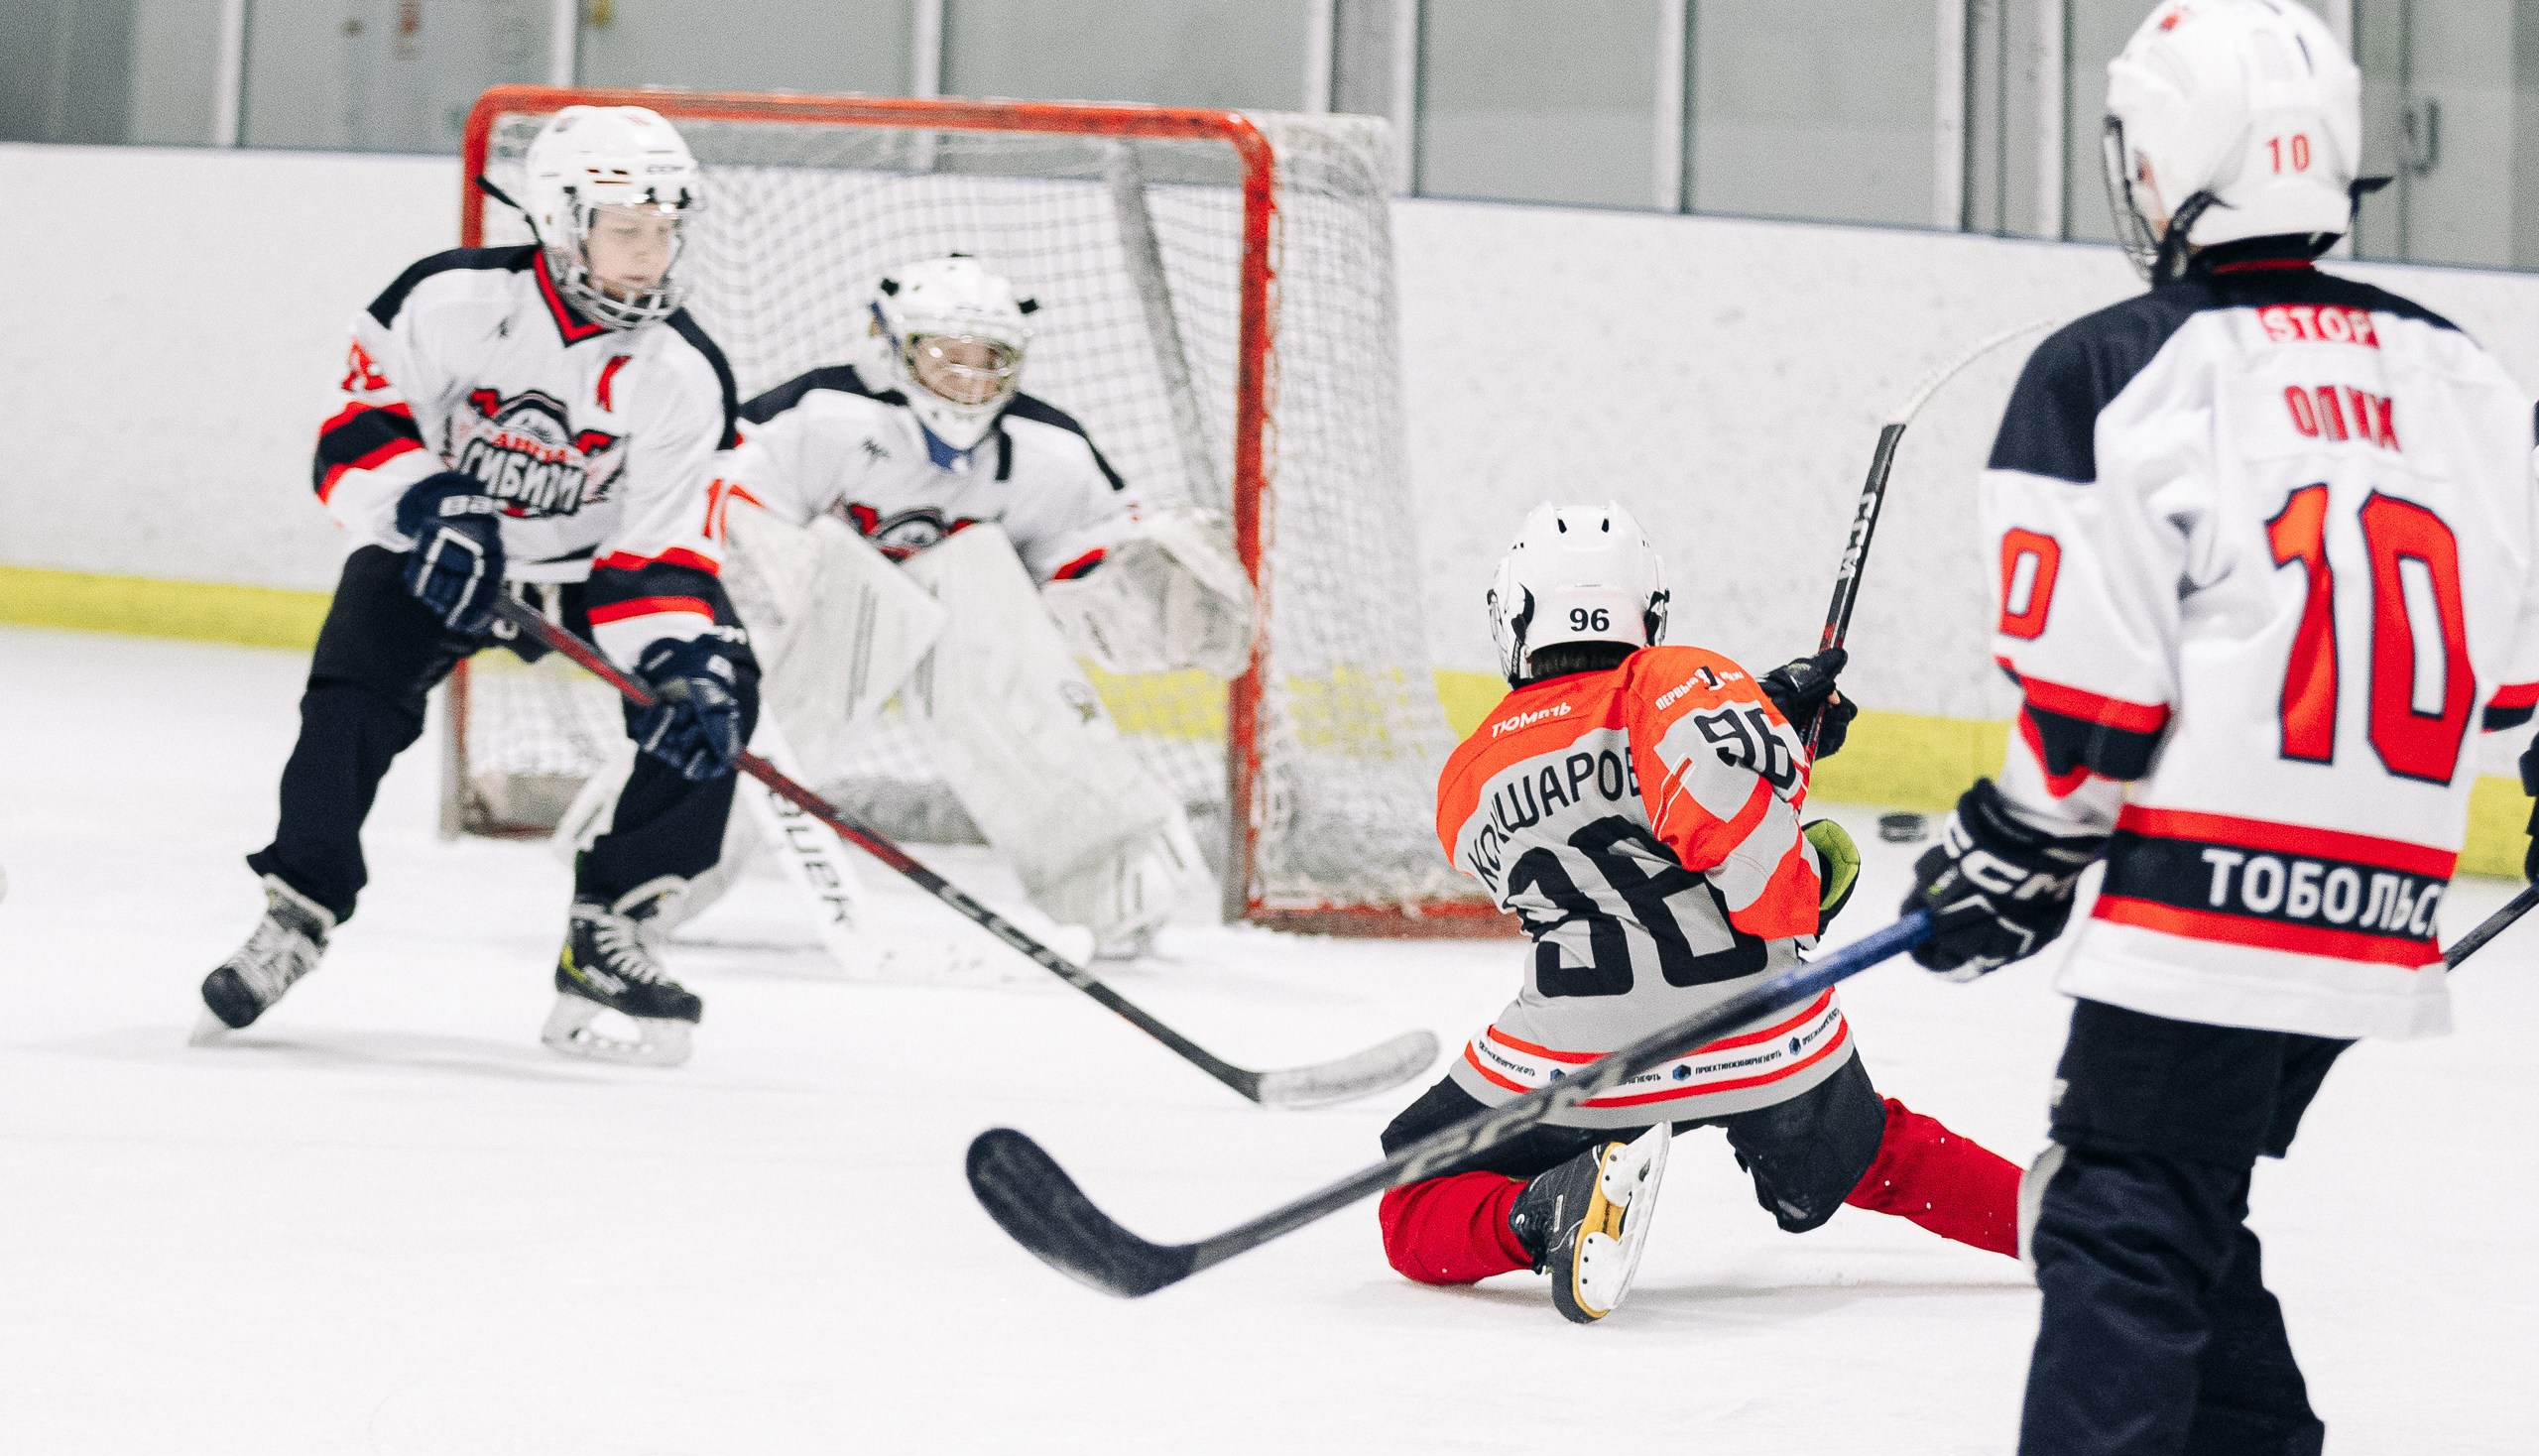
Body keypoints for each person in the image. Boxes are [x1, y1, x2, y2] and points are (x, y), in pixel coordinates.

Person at [1864, 5, 2539, 1456]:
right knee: (2178, 1191)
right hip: (2379, 889)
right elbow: (2520, 665)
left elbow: (2092, 685)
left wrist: (2012, 848)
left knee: (2117, 1199)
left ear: (2162, 156)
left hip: (2210, 884)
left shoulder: (2112, 364)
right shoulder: (2466, 371)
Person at [196, 104, 757, 1067]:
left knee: (715, 691)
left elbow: (658, 548)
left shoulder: (685, 373)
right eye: (627, 229)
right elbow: (356, 433)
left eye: (665, 231)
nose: (650, 254)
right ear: (558, 219)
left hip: (589, 574)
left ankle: (610, 930)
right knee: (350, 699)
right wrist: (431, 510)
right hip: (443, 549)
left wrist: (678, 658)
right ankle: (300, 908)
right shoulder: (449, 301)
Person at [1373, 502, 2025, 1325]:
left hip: (1585, 1059)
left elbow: (1596, 807)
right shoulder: (1679, 681)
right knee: (1883, 1154)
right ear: (1647, 611)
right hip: (1760, 1035)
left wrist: (1763, 726)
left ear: (1515, 619)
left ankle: (1546, 1208)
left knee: (1411, 1196)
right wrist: (1778, 759)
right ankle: (2061, 1222)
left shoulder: (1466, 778)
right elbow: (1766, 887)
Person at [703, 254, 1253, 955]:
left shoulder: (1051, 452)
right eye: (945, 358)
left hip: (963, 652)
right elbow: (731, 516)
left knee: (981, 587)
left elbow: (1086, 568)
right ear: (893, 349)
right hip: (818, 631)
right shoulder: (822, 415)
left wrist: (1140, 587)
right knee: (742, 693)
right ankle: (648, 865)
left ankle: (1108, 887)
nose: (968, 380)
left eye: (988, 359)